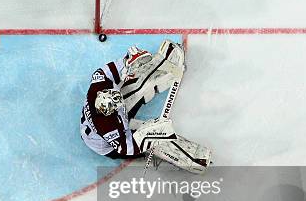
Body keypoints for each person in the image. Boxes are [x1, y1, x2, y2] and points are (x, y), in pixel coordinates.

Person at [80, 39, 211, 173]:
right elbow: (127, 147)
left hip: (103, 127)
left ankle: (169, 67)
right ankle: (195, 160)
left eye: (115, 96)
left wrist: (126, 62)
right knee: (158, 138)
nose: (119, 100)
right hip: (109, 146)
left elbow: (103, 72)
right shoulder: (107, 126)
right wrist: (147, 135)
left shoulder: (97, 88)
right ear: (110, 112)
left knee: (137, 87)